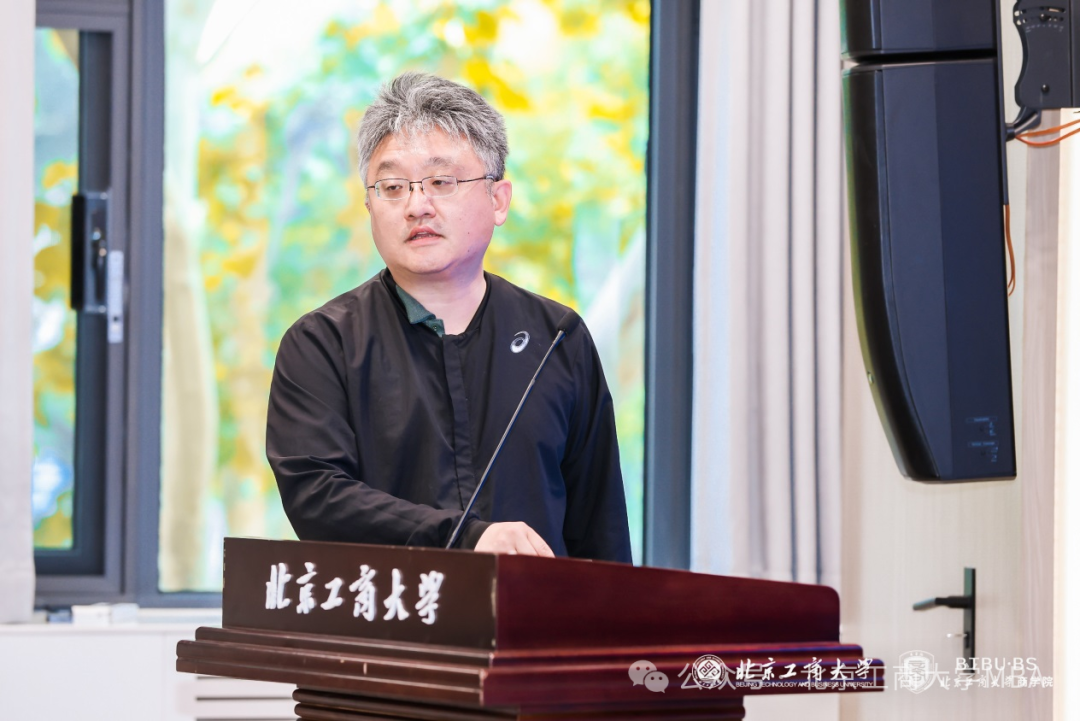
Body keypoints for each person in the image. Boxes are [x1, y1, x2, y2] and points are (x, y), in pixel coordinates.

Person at [266, 72, 631, 562]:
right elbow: (317, 497)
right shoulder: (322, 344)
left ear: (498, 200)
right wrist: (466, 537)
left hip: (536, 610)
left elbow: (600, 529)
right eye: (393, 186)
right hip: (388, 610)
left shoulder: (556, 339)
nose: (417, 205)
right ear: (369, 205)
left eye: (441, 182)